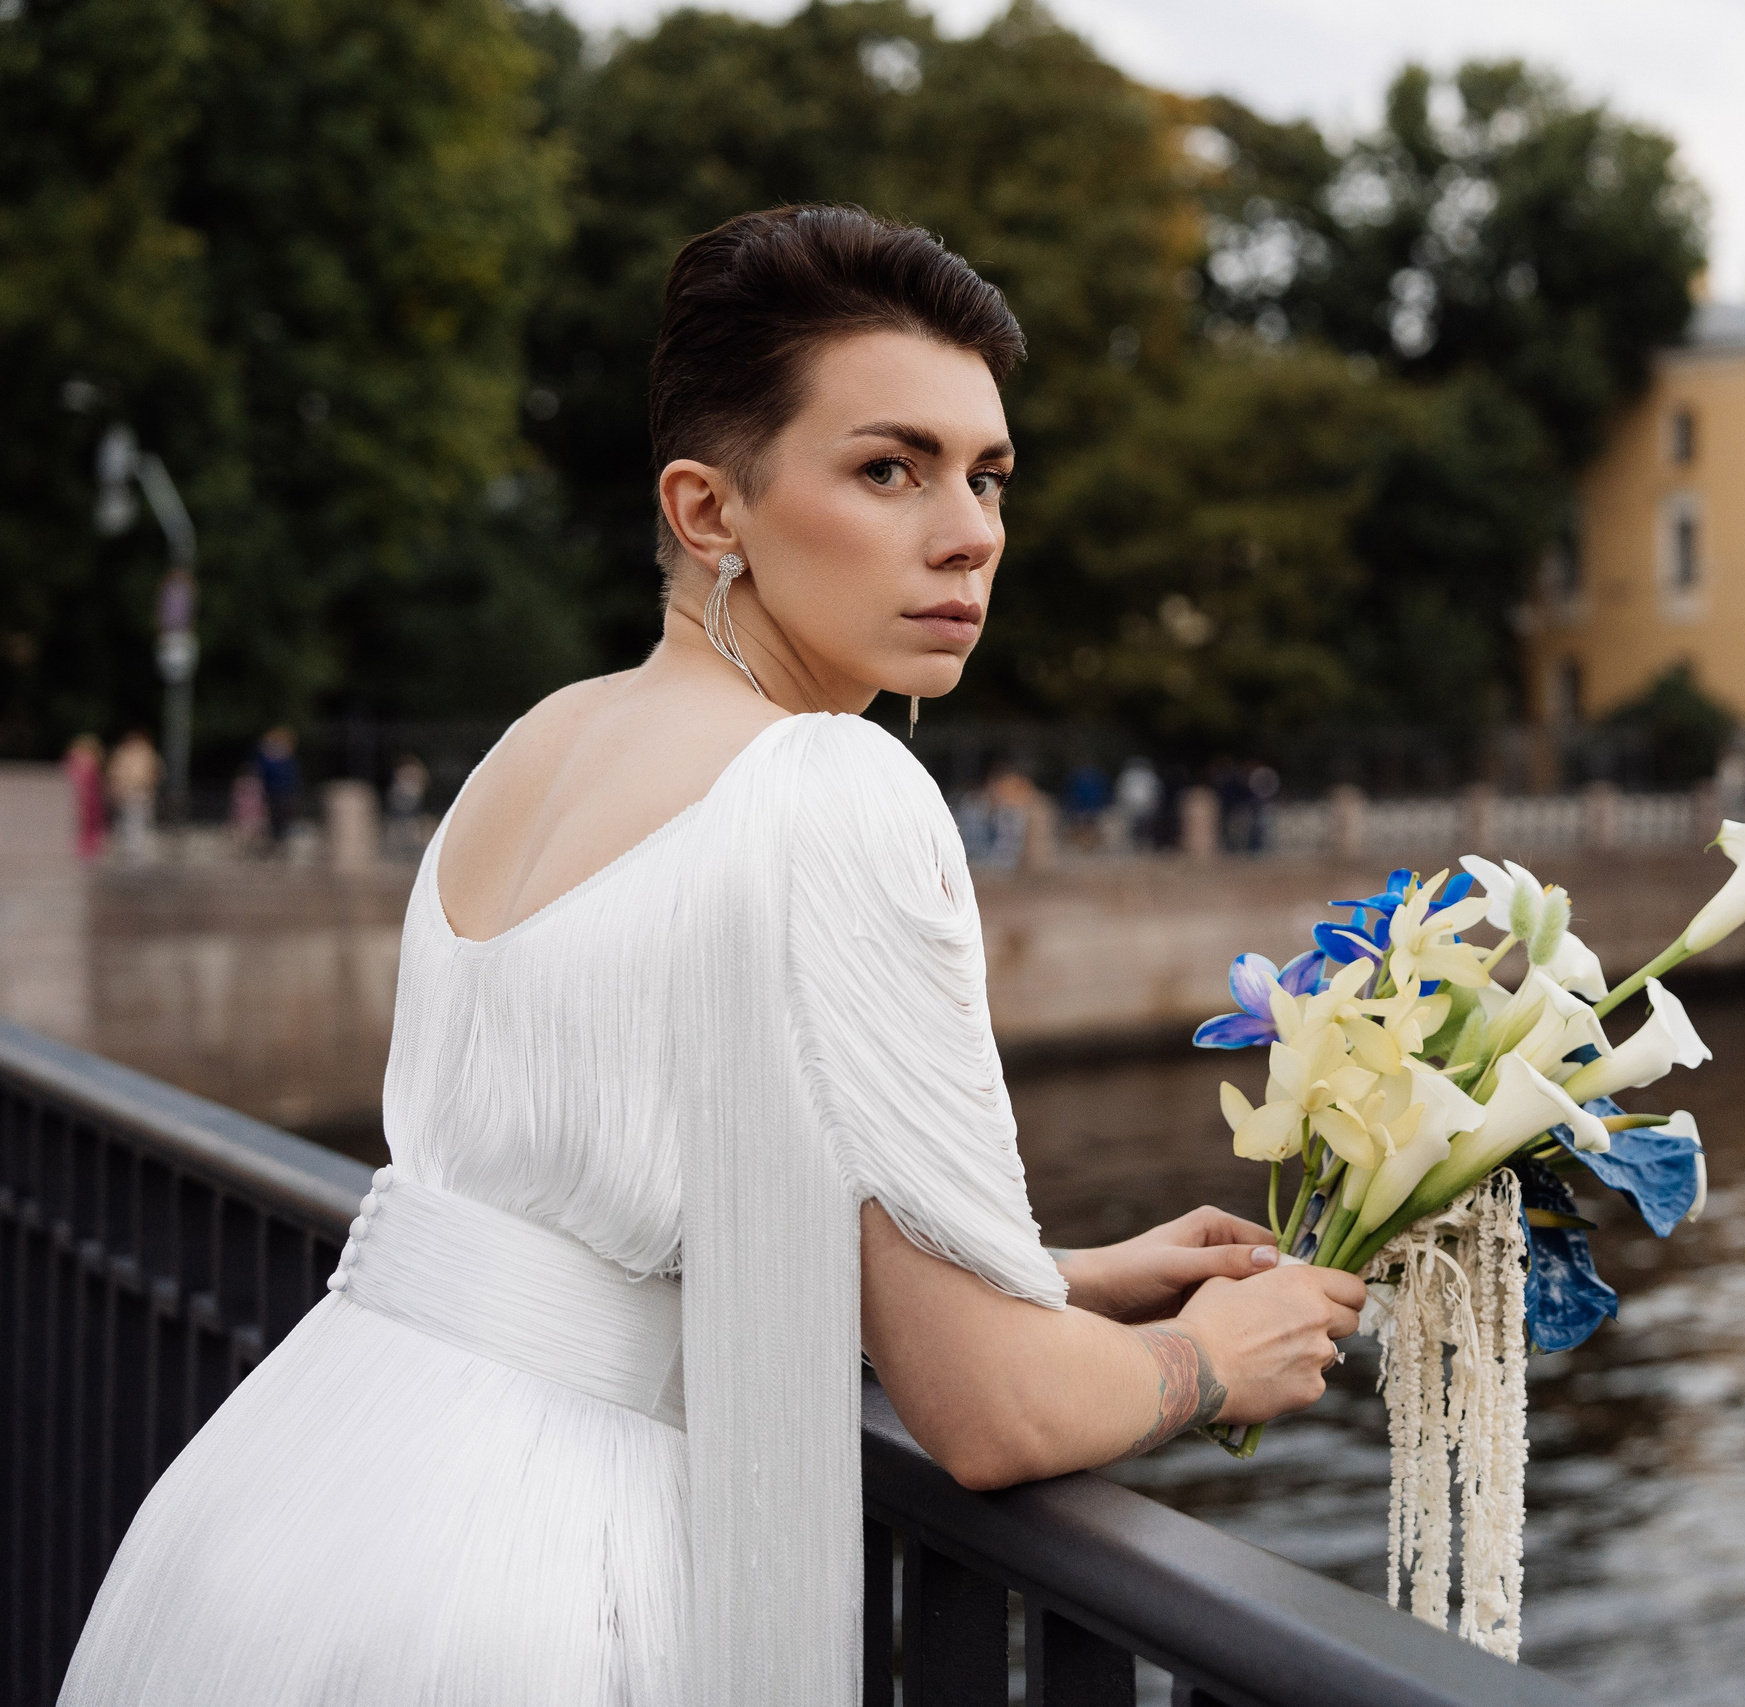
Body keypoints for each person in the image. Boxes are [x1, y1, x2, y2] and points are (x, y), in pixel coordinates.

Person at [59, 205, 1362, 1707]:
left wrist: (1054, 1276)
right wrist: (1209, 1355)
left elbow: (632, 1209)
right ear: (708, 508)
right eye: (890, 467)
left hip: (296, 1488)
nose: (971, 530)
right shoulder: (832, 783)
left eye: (987, 474)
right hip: (529, 1583)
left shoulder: (536, 745)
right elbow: (991, 1413)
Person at [105, 731, 162, 861]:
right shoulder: (144, 753)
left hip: (135, 792)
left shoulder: (127, 753)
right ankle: (133, 851)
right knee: (133, 822)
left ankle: (133, 851)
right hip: (135, 792)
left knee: (133, 821)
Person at [63, 734, 106, 862]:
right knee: (89, 827)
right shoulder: (88, 763)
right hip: (89, 800)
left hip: (85, 800)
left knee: (85, 827)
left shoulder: (73, 761)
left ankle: (85, 852)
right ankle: (88, 853)